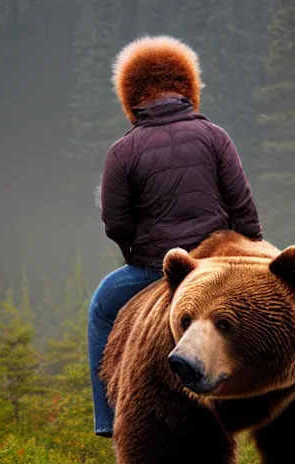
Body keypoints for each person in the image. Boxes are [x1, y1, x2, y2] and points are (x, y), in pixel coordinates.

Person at [87, 35, 262, 438]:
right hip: (216, 266)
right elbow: (244, 210)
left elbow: (115, 222)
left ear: (132, 95)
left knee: (101, 307)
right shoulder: (215, 136)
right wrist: (249, 255)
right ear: (187, 88)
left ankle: (107, 419)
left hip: (157, 270)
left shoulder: (122, 151)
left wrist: (137, 255)